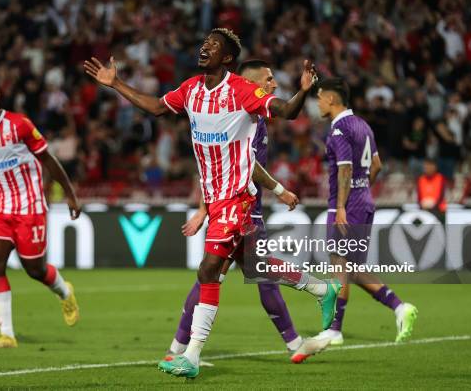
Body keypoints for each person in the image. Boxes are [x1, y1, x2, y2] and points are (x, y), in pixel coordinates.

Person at [84, 28, 340, 378]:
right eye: (204, 43)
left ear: (227, 59)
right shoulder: (190, 89)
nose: (205, 48)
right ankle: (322, 289)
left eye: (214, 46)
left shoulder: (241, 91)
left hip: (237, 199)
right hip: (216, 199)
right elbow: (158, 107)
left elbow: (284, 111)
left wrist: (303, 91)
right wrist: (116, 83)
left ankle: (189, 355)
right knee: (255, 266)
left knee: (207, 270)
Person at [165, 60, 330, 366]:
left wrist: (205, 209)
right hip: (241, 210)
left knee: (219, 274)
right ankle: (315, 303)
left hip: (233, 206)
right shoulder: (242, 115)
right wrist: (280, 191)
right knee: (231, 273)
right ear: (251, 82)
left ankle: (181, 350)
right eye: (268, 79)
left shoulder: (255, 117)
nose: (273, 84)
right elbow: (238, 165)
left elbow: (222, 164)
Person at [0, 73, 80, 349]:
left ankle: (64, 291)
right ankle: (7, 335)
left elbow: (48, 160)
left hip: (30, 207)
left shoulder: (19, 125)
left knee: (35, 270)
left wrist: (71, 195)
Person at [312, 78, 418, 345]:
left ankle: (334, 330)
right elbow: (377, 165)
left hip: (347, 206)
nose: (317, 103)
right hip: (364, 202)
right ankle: (399, 307)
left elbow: (345, 169)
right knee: (352, 269)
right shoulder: (362, 125)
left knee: (339, 264)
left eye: (319, 97)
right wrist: (361, 191)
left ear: (331, 99)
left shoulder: (338, 131)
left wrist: (341, 207)